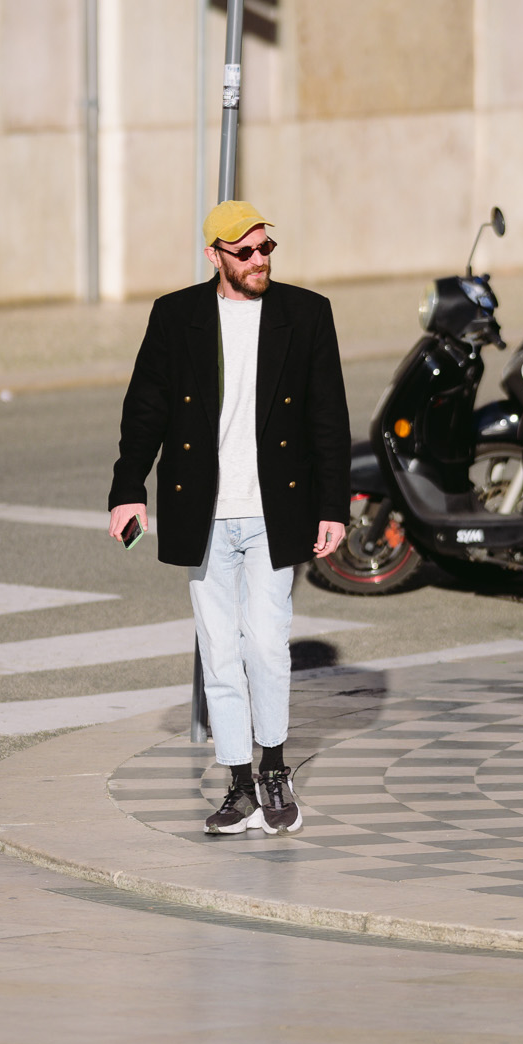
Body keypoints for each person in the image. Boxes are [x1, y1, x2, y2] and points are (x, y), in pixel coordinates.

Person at [107, 201, 349, 835]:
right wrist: (128, 488)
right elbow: (146, 409)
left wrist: (333, 506)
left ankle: (274, 765)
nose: (260, 260)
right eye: (245, 253)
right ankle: (239, 782)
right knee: (218, 650)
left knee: (267, 643)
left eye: (267, 248)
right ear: (214, 255)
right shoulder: (176, 315)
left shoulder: (306, 312)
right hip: (203, 510)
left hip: (275, 507)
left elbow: (329, 417)